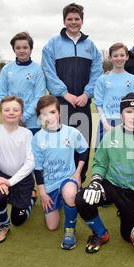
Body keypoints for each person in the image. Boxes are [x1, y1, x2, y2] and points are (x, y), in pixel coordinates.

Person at [75, 93, 134, 254]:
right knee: (82, 199)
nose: (133, 117)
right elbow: (100, 163)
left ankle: (128, 212)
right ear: (121, 113)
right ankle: (101, 234)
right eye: (129, 111)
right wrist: (95, 182)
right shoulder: (110, 136)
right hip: (112, 185)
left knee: (128, 237)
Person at [41, 3, 102, 182]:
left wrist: (86, 94)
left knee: (81, 145)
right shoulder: (53, 44)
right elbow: (48, 71)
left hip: (82, 104)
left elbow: (97, 72)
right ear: (64, 21)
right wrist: (65, 93)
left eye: (77, 19)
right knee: (59, 145)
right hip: (60, 105)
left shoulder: (91, 46)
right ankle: (58, 183)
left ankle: (78, 181)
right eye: (70, 19)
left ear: (82, 21)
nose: (73, 22)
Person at [32, 95, 89, 250]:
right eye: (44, 114)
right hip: (49, 185)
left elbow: (84, 151)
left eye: (52, 112)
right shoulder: (37, 138)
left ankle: (70, 230)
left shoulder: (71, 132)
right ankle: (62, 204)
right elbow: (37, 169)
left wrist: (77, 173)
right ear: (40, 116)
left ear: (59, 113)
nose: (49, 117)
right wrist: (42, 193)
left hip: (67, 179)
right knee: (52, 226)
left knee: (70, 193)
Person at [0, 96, 36, 243]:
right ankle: (4, 226)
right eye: (6, 110)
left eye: (15, 110)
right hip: (1, 177)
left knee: (18, 220)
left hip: (22, 180)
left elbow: (30, 162)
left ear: (21, 113)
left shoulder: (27, 134)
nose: (11, 112)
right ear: (1, 113)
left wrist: (10, 182)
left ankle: (31, 198)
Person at [0, 32, 46, 135]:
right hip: (11, 121)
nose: (22, 51)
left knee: (32, 151)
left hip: (32, 123)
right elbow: (1, 95)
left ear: (31, 49)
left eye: (25, 47)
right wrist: (12, 115)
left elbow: (39, 97)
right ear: (14, 50)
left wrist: (23, 117)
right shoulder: (6, 69)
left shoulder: (38, 70)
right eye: (18, 48)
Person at [94, 42, 134, 144]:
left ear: (127, 57)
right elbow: (98, 104)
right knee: (102, 158)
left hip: (125, 123)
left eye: (122, 55)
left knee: (122, 157)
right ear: (110, 58)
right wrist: (105, 124)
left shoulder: (132, 79)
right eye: (115, 56)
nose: (119, 58)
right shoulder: (102, 79)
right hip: (105, 122)